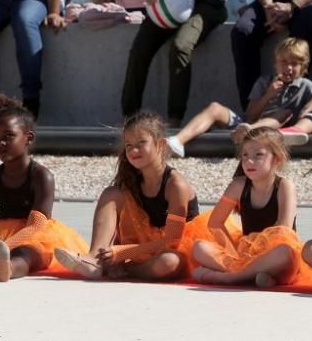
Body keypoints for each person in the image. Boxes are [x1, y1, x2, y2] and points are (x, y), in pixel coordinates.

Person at [55, 112, 204, 281]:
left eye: (141, 143)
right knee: (111, 193)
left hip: (176, 250)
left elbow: (172, 240)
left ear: (160, 144)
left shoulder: (175, 185)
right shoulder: (131, 180)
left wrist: (122, 253)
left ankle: (128, 270)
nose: (134, 150)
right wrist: (112, 251)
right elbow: (123, 224)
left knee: (169, 262)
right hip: (144, 247)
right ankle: (95, 259)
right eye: (128, 145)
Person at [0, 96, 88, 281]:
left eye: (8, 136)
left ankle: (6, 268)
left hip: (34, 235)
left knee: (26, 255)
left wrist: (4, 248)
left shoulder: (41, 176)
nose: (1, 143)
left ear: (28, 138)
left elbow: (37, 225)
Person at [191, 127, 312, 287]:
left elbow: (283, 229)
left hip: (274, 252)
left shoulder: (284, 186)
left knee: (283, 253)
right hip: (245, 253)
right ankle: (255, 275)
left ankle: (231, 277)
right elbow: (215, 223)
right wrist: (234, 251)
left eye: (258, 155)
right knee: (199, 247)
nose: (249, 161)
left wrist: (256, 253)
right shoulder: (238, 185)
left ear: (277, 159)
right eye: (245, 155)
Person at [166, 37, 312, 158]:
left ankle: (250, 132)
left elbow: (310, 117)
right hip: (245, 127)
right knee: (214, 108)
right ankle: (178, 141)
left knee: (283, 113)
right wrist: (268, 94)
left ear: (303, 67)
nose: (288, 68)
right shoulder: (264, 82)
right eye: (284, 62)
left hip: (276, 132)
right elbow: (250, 115)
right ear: (275, 64)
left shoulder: (307, 86)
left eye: (294, 64)